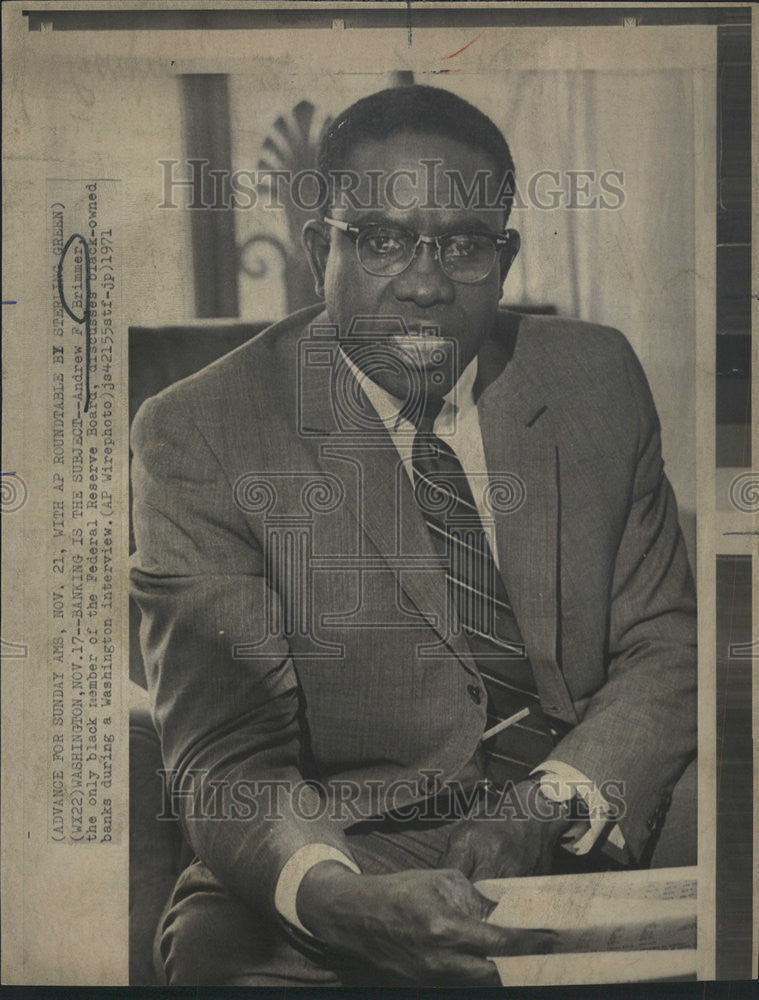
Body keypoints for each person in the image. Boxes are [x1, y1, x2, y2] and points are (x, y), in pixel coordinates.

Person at [130, 84, 696, 987]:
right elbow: (227, 756)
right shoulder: (201, 431)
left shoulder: (594, 376)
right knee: (227, 964)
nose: (426, 284)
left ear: (504, 258)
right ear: (322, 249)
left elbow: (663, 645)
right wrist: (334, 899)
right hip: (353, 849)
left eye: (464, 245)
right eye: (384, 240)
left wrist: (545, 804)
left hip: (588, 808)